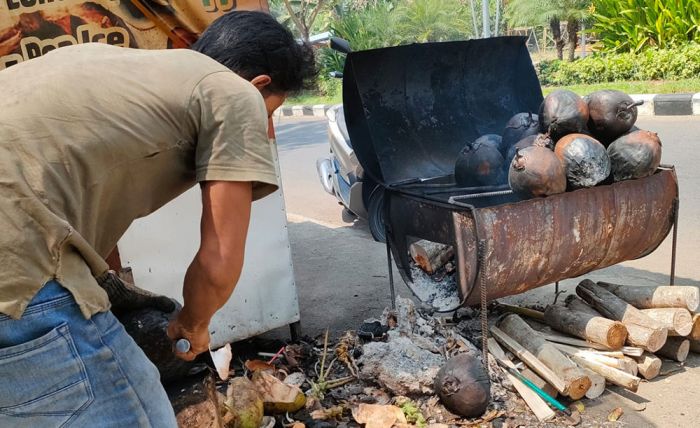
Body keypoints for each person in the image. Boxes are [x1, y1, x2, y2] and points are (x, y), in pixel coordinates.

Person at [0, 10, 315, 427]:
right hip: (17, 264)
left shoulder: (112, 66)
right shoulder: (233, 93)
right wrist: (193, 323)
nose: (267, 128)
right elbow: (219, 259)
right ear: (258, 85)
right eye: (270, 114)